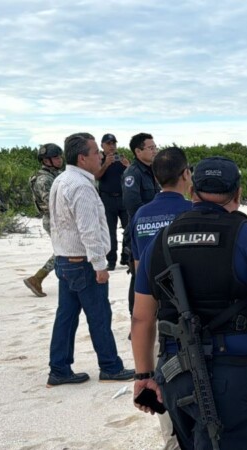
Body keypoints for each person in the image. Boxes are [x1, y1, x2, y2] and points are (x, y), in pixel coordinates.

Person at [132, 156, 247, 449]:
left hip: (174, 372)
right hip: (233, 375)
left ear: (192, 192)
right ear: (238, 194)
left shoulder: (160, 242)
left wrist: (143, 375)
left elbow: (141, 318)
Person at [46, 132, 134, 387]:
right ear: (83, 158)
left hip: (65, 259)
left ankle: (59, 368)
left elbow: (57, 223)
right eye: (97, 152)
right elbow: (89, 230)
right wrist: (99, 264)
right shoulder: (81, 185)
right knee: (99, 315)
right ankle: (110, 366)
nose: (102, 156)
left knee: (66, 316)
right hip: (82, 262)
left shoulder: (62, 179)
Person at [128, 146, 192, 450]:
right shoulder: (191, 211)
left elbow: (140, 268)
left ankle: (172, 439)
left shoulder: (141, 216)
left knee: (160, 382)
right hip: (186, 309)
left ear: (155, 177)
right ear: (186, 174)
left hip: (151, 309)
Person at [122, 133, 161, 320]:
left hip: (156, 229)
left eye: (155, 147)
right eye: (151, 148)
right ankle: (135, 318)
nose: (155, 151)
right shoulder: (132, 173)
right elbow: (133, 206)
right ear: (138, 151)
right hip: (140, 231)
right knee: (138, 276)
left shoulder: (153, 170)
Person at [23, 143, 64, 297]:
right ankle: (37, 278)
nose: (59, 159)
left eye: (59, 156)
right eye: (55, 157)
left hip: (55, 218)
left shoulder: (53, 175)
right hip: (54, 219)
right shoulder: (44, 180)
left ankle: (38, 278)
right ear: (46, 160)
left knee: (63, 251)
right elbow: (52, 203)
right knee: (62, 251)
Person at [95, 133, 130, 271]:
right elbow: (96, 176)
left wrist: (128, 166)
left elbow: (132, 176)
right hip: (107, 199)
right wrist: (105, 164)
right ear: (102, 145)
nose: (112, 146)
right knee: (109, 231)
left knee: (128, 229)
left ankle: (126, 257)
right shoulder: (99, 159)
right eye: (109, 144)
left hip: (123, 198)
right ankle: (111, 260)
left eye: (114, 143)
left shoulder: (121, 158)